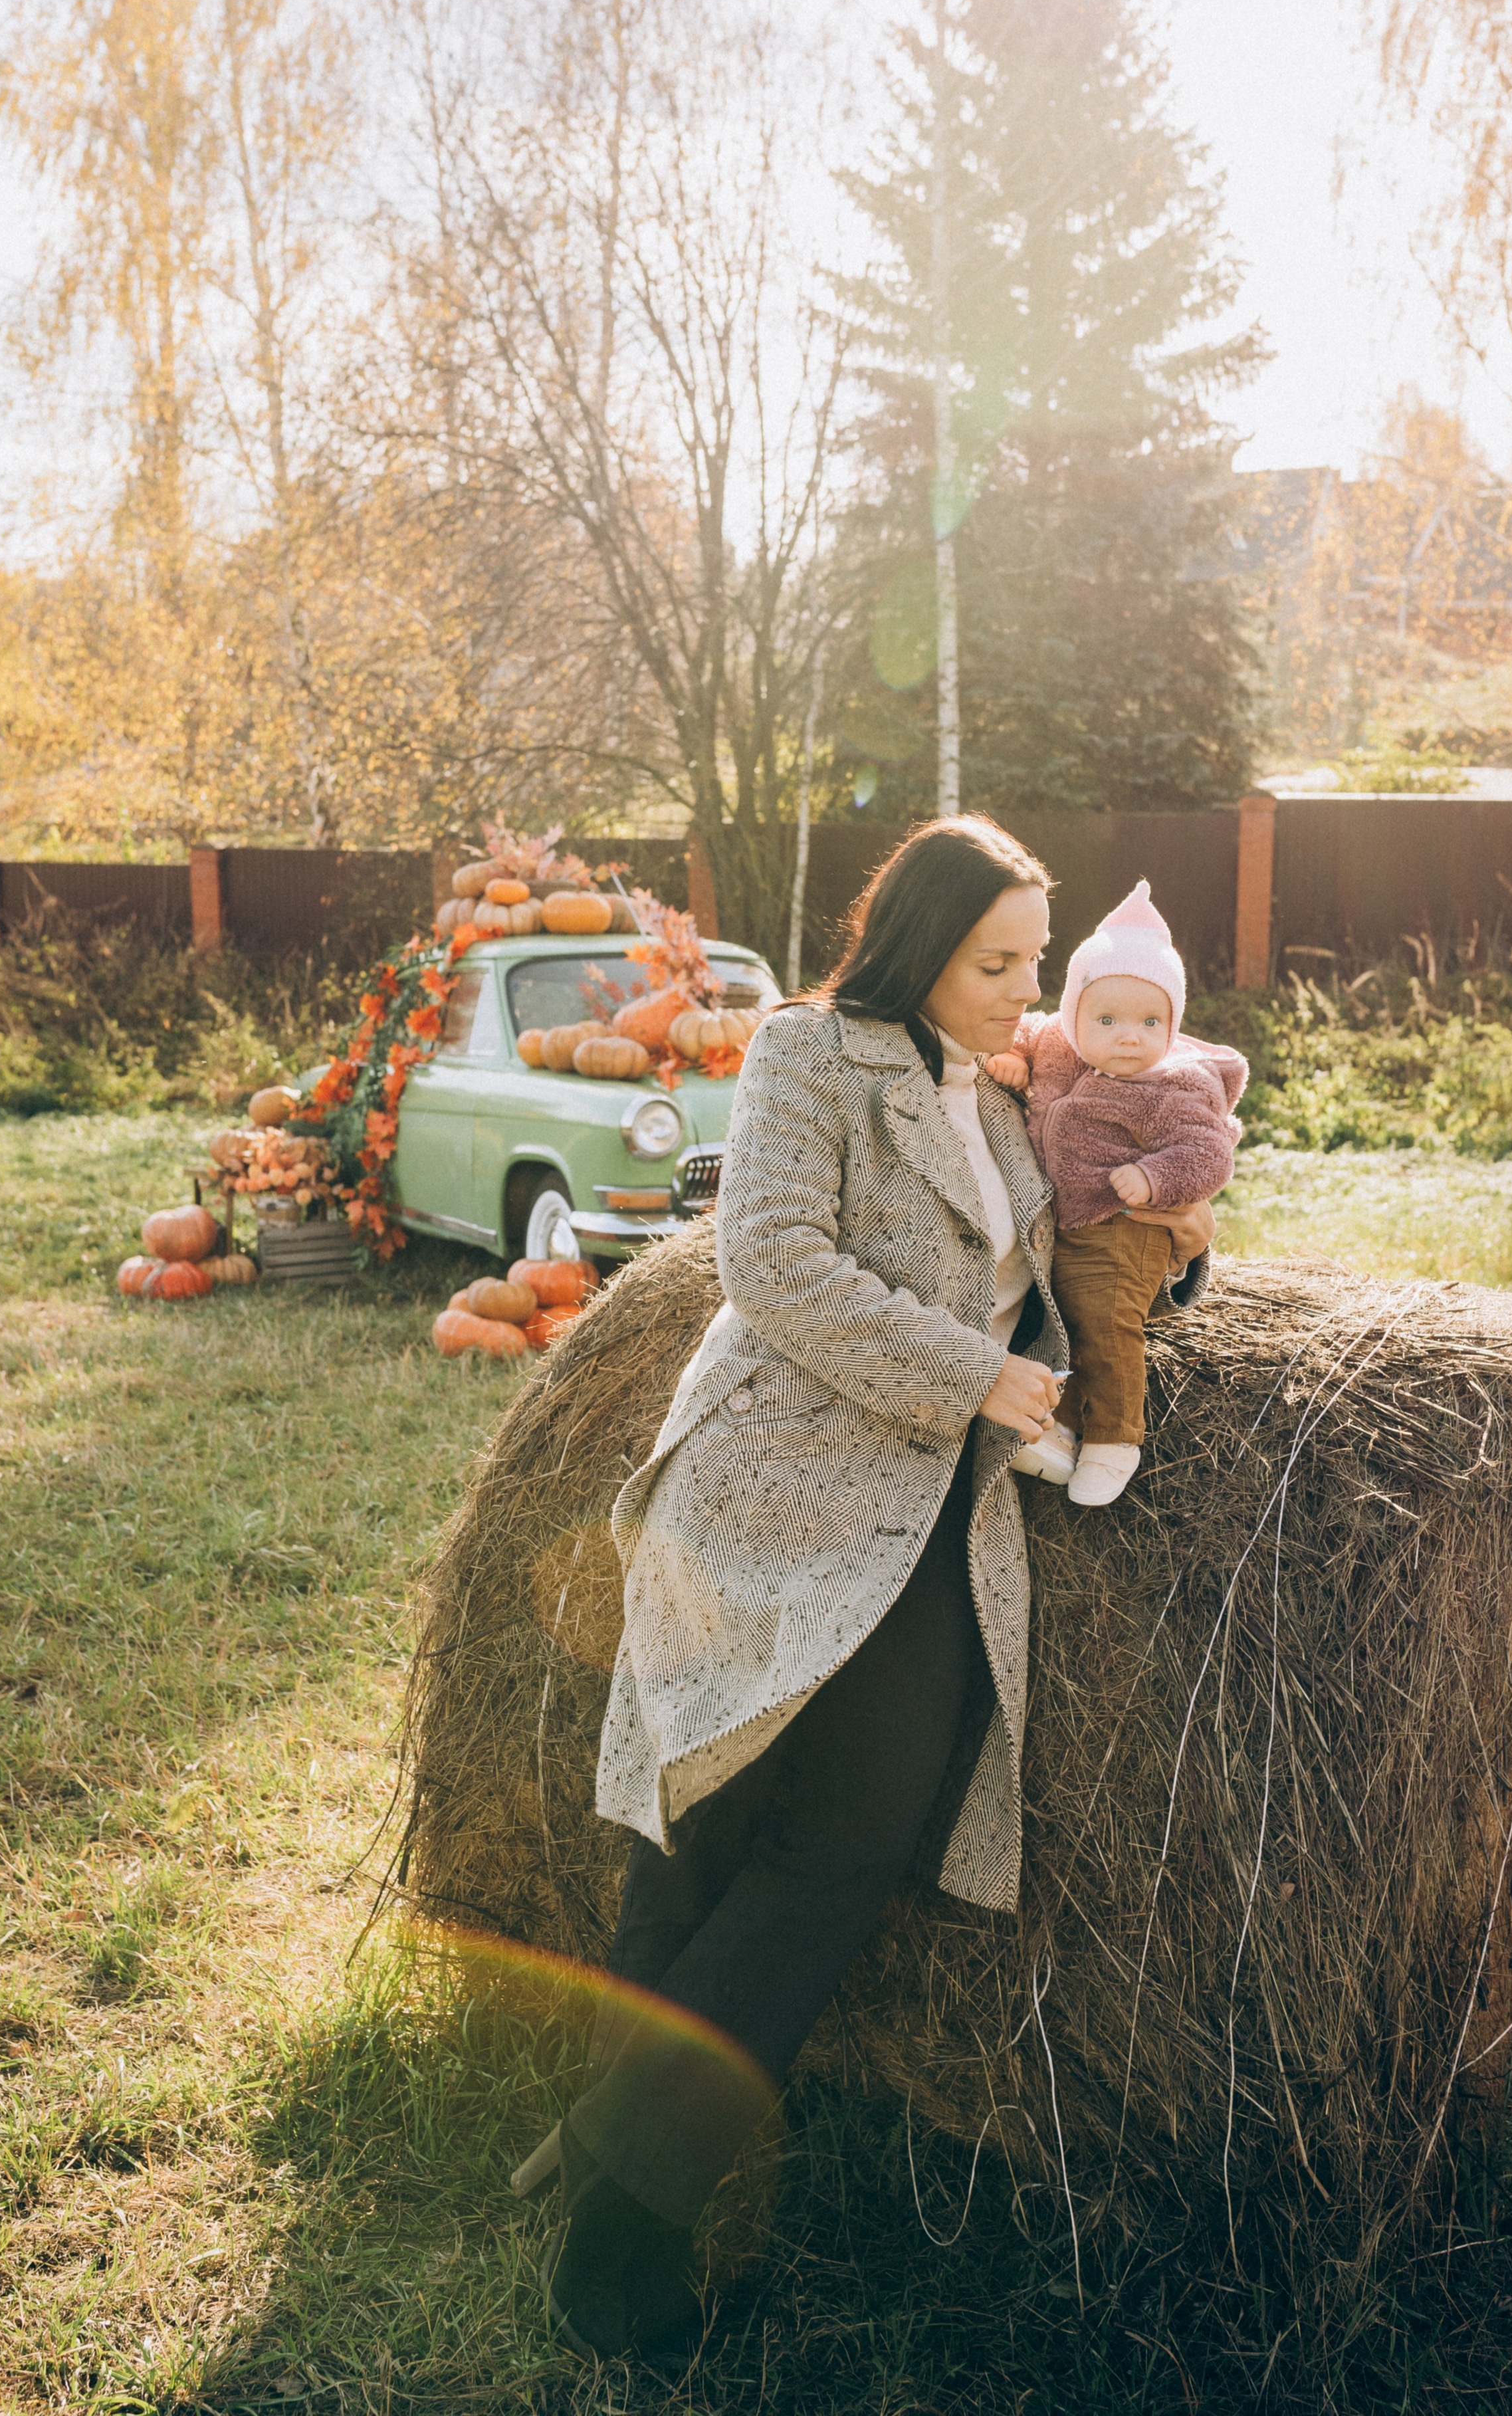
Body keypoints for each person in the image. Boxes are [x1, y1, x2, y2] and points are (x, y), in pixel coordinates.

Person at [532, 817, 1216, 2360]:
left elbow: (1084, 1230)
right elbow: (772, 1262)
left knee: (843, 1851)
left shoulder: (1020, 1080)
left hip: (930, 1517)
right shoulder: (808, 1054)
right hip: (766, 1489)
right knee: (693, 1838)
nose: (1026, 991)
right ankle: (620, 2262)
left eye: (1035, 960)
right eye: (995, 963)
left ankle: (607, 2176)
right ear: (914, 950)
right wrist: (971, 1372)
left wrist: (1165, 1248)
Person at [985, 880, 1247, 1507]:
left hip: (1123, 1223)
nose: (1130, 1037)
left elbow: (1209, 1154)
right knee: (1067, 1320)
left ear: (1172, 1024)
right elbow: (1026, 1029)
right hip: (1070, 1225)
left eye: (1150, 1022)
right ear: (1075, 1013)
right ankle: (1060, 1426)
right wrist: (1014, 1055)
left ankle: (1115, 1439)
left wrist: (1156, 1176)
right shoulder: (1055, 1042)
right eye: (1107, 1020)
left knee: (1105, 1323)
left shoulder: (1175, 1084)